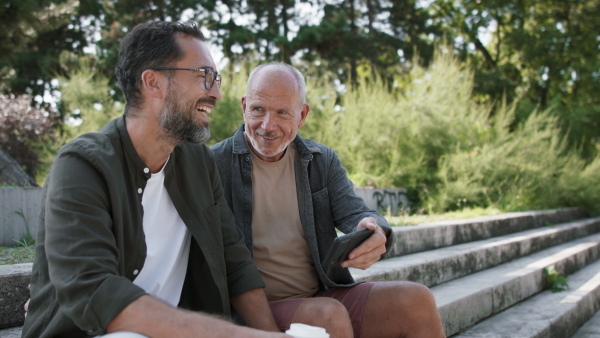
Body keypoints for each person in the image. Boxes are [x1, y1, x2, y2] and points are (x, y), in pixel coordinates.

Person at [22, 21, 288, 338]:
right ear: (153, 82)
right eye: (204, 76)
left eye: (216, 79)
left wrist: (273, 335)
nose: (216, 92)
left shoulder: (199, 162)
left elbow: (234, 262)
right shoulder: (82, 165)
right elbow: (96, 293)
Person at [210, 62, 446, 338]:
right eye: (258, 109)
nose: (267, 125)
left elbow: (356, 213)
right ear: (244, 106)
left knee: (416, 299)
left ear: (302, 115)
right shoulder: (214, 163)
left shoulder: (322, 160)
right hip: (257, 309)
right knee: (326, 316)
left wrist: (376, 230)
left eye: (282, 112)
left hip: (324, 293)